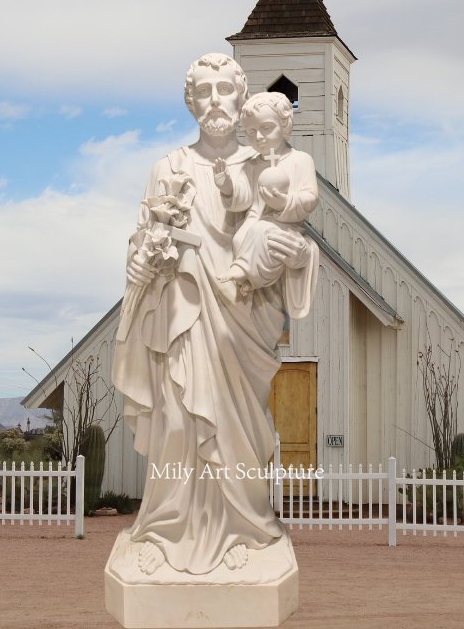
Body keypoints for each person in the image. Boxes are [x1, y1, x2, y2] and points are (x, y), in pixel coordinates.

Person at [112, 53, 318, 576]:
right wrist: (141, 253)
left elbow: (288, 232)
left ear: (241, 95)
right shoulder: (170, 167)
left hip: (241, 318)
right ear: (190, 102)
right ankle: (166, 525)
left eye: (225, 89)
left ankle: (245, 527)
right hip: (182, 312)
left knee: (238, 428)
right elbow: (146, 232)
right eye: (202, 92)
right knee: (179, 421)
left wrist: (282, 260)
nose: (214, 102)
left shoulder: (264, 162)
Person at [214, 91, 318, 309]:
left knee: (261, 232)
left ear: (285, 125)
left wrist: (285, 203)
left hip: (285, 224)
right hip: (254, 219)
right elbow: (243, 198)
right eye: (251, 132)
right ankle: (248, 282)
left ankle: (242, 271)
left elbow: (310, 196)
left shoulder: (300, 160)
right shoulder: (250, 165)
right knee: (240, 238)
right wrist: (227, 186)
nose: (259, 137)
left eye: (266, 128)